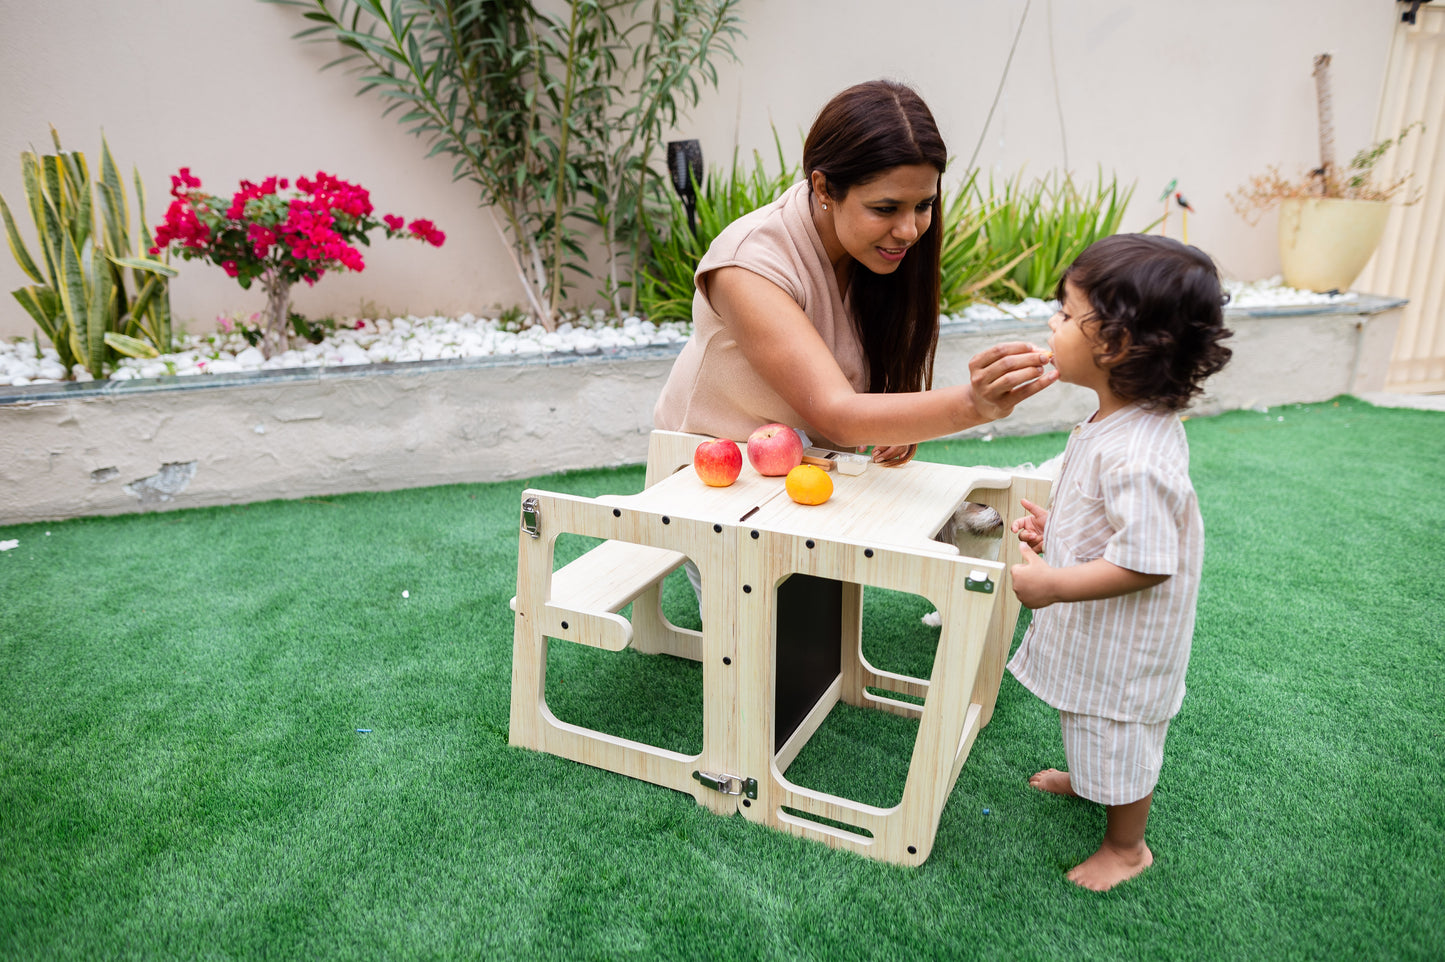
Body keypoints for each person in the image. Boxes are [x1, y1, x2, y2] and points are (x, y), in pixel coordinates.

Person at [652, 79, 1055, 468]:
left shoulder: (873, 253)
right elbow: (838, 416)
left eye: (923, 205)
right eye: (885, 208)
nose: (909, 230)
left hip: (809, 475)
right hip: (706, 484)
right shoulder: (748, 264)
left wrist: (899, 417)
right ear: (824, 188)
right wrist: (973, 403)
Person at [1005, 233, 1233, 891]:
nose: (1051, 323)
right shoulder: (1117, 421)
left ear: (1114, 345)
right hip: (1102, 630)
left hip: (1128, 643)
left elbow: (1146, 562)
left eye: (1064, 314)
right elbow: (1116, 520)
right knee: (1089, 717)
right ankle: (1089, 778)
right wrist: (1063, 528)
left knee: (1120, 729)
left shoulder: (1136, 451)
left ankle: (1126, 847)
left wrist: (1049, 584)